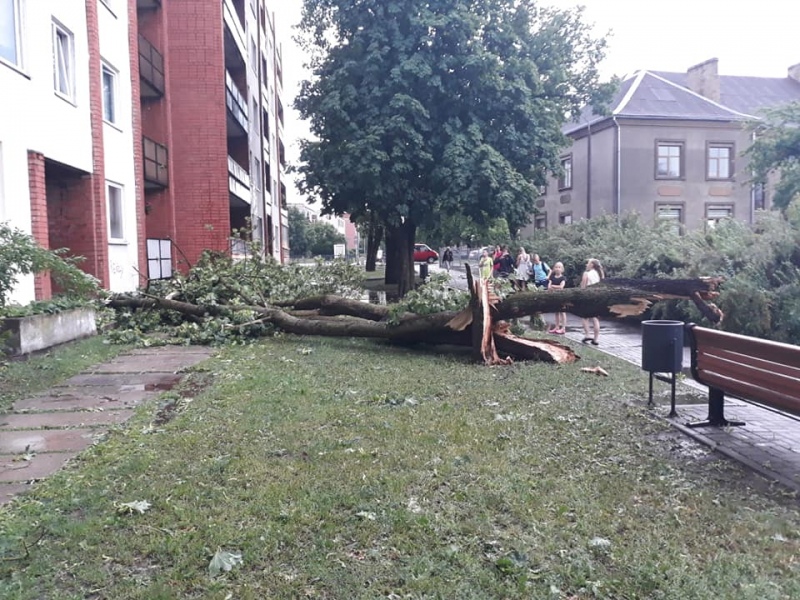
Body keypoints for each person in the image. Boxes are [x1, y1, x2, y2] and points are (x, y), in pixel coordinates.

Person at [581, 258, 605, 345]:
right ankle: (595, 339)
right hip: (597, 297)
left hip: (588, 297)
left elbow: (583, 287)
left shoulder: (586, 274)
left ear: (592, 265)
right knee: (595, 318)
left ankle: (587, 334)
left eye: (588, 263)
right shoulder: (599, 274)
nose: (586, 264)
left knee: (585, 317)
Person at [547, 262, 567, 334]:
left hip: (561, 297)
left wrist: (553, 286)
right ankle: (557, 326)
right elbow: (549, 287)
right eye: (556, 267)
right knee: (556, 312)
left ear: (562, 269)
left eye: (559, 267)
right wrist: (553, 286)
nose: (557, 269)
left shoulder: (563, 278)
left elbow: (561, 287)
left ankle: (563, 328)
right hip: (554, 296)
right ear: (554, 268)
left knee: (562, 312)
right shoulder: (552, 277)